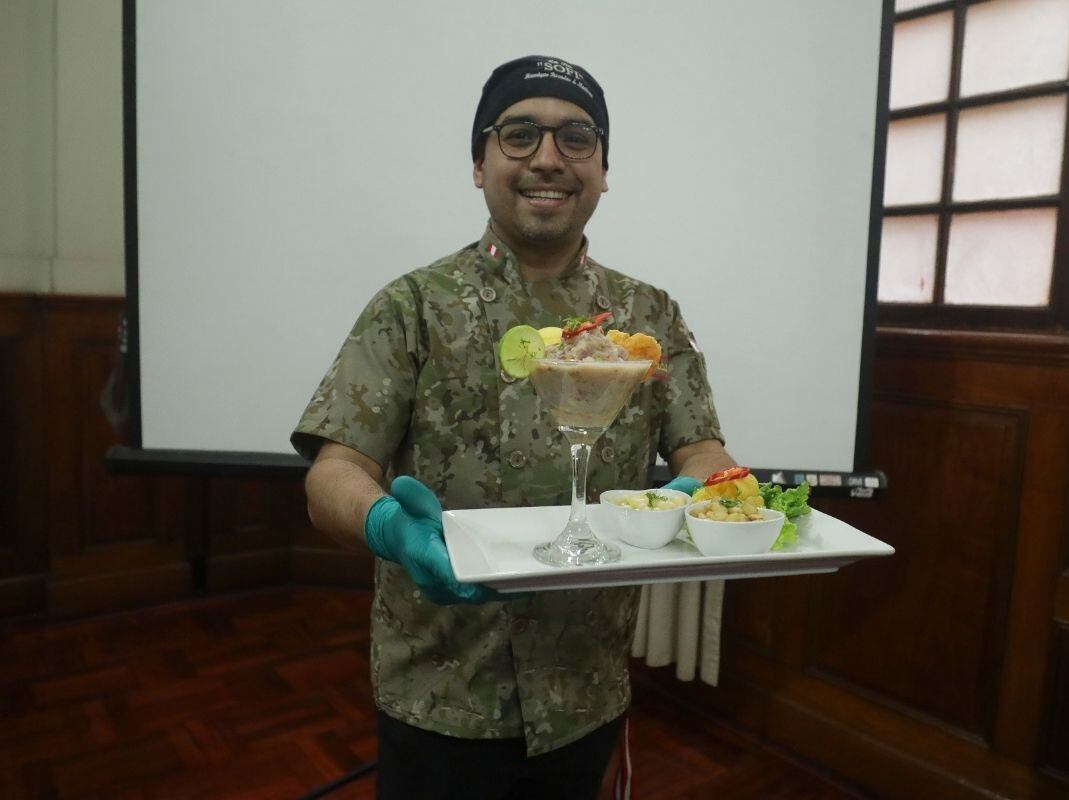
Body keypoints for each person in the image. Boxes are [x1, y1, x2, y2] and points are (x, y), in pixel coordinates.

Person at [293, 54, 738, 799]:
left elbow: (702, 446)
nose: (548, 159)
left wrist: (695, 493)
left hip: (585, 687)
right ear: (479, 164)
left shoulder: (648, 318)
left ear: (602, 169)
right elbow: (330, 475)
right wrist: (387, 529)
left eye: (576, 139)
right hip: (440, 693)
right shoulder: (412, 306)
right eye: (519, 134)